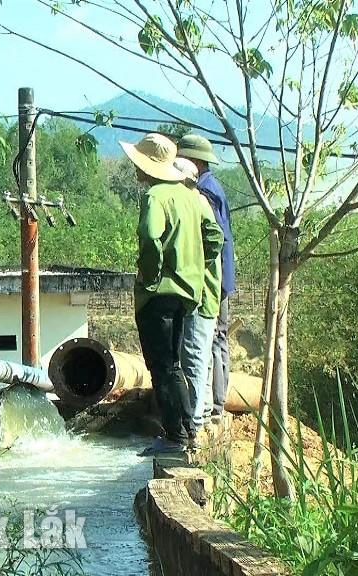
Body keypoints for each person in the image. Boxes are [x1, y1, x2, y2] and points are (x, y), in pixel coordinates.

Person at [121, 133, 224, 455]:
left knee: (161, 367)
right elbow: (214, 237)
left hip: (160, 294)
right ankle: (187, 431)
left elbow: (150, 238)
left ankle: (174, 438)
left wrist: (150, 279)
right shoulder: (192, 195)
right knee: (173, 365)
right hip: (188, 293)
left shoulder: (155, 196)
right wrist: (195, 266)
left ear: (147, 165)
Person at [176, 134, 234, 422]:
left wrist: (202, 269)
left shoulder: (204, 192)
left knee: (209, 341)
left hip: (212, 280)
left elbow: (213, 237)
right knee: (216, 340)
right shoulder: (213, 186)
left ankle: (213, 406)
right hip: (221, 278)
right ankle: (216, 405)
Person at [173, 157, 222, 441]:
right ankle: (199, 416)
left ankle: (193, 425)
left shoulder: (195, 203)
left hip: (199, 297)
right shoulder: (200, 201)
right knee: (198, 358)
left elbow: (214, 241)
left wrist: (194, 264)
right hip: (205, 294)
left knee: (192, 357)